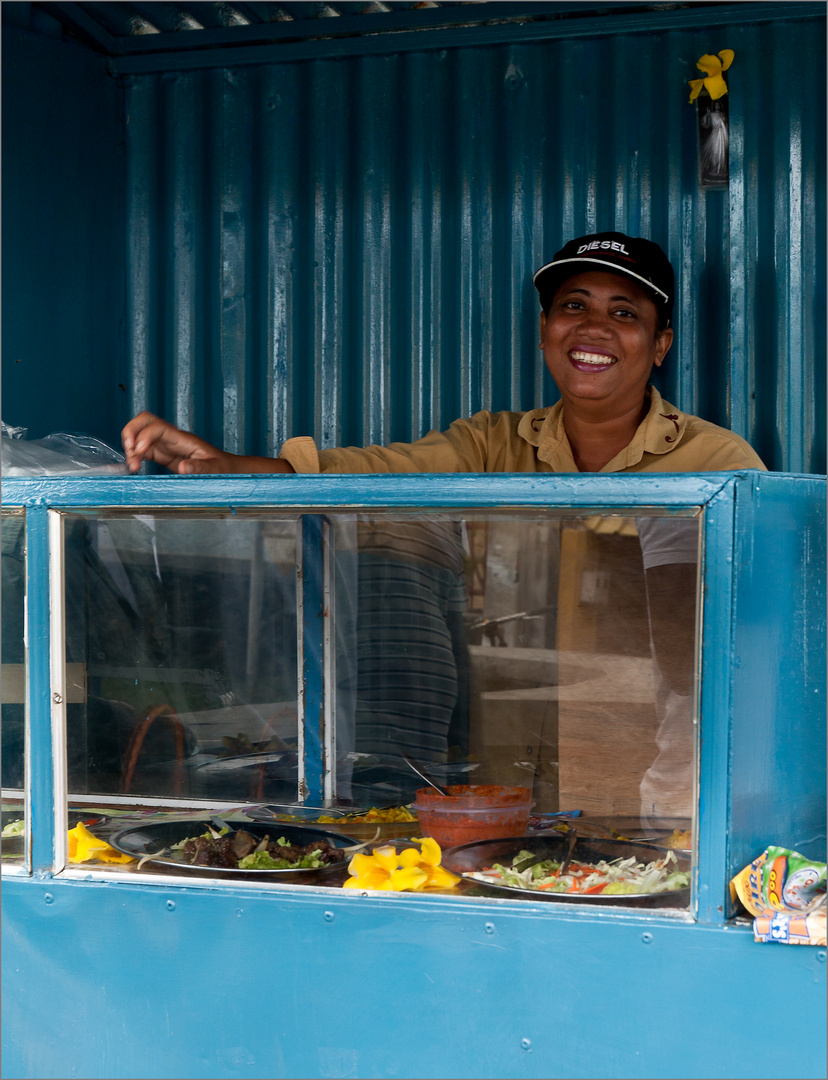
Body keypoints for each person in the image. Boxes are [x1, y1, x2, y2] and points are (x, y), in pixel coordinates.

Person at [122, 231, 767, 814]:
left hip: (682, 783)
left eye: (624, 313)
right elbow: (373, 473)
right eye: (575, 306)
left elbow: (733, 655)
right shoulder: (491, 446)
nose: (594, 328)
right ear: (545, 330)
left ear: (661, 345)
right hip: (512, 781)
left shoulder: (716, 463)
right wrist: (231, 467)